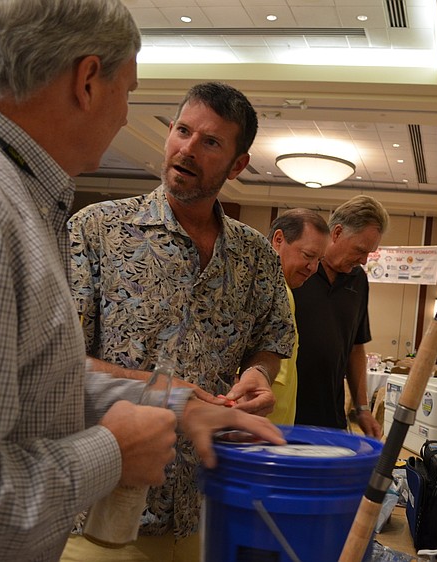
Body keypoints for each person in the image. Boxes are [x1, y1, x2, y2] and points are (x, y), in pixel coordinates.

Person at [0, 2, 284, 560]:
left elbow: (35, 375)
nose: (126, 117)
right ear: (88, 80)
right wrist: (111, 453)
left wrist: (176, 408)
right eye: (129, 90)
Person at [65, 81, 295, 560]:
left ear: (237, 165)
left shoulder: (255, 254)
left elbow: (272, 336)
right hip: (97, 512)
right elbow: (60, 365)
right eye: (183, 131)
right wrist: (169, 394)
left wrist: (259, 372)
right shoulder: (96, 229)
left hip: (200, 507)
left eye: (210, 142)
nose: (188, 149)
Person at [293, 194, 389, 438]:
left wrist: (363, 408)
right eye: (360, 249)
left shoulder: (359, 280)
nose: (364, 260)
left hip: (330, 417)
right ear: (336, 233)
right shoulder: (297, 268)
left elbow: (356, 347)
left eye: (370, 253)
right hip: (285, 411)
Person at [266, 208, 331, 425]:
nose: (313, 268)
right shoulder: (269, 289)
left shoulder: (282, 290)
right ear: (278, 240)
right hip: (258, 433)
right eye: (308, 256)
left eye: (319, 260)